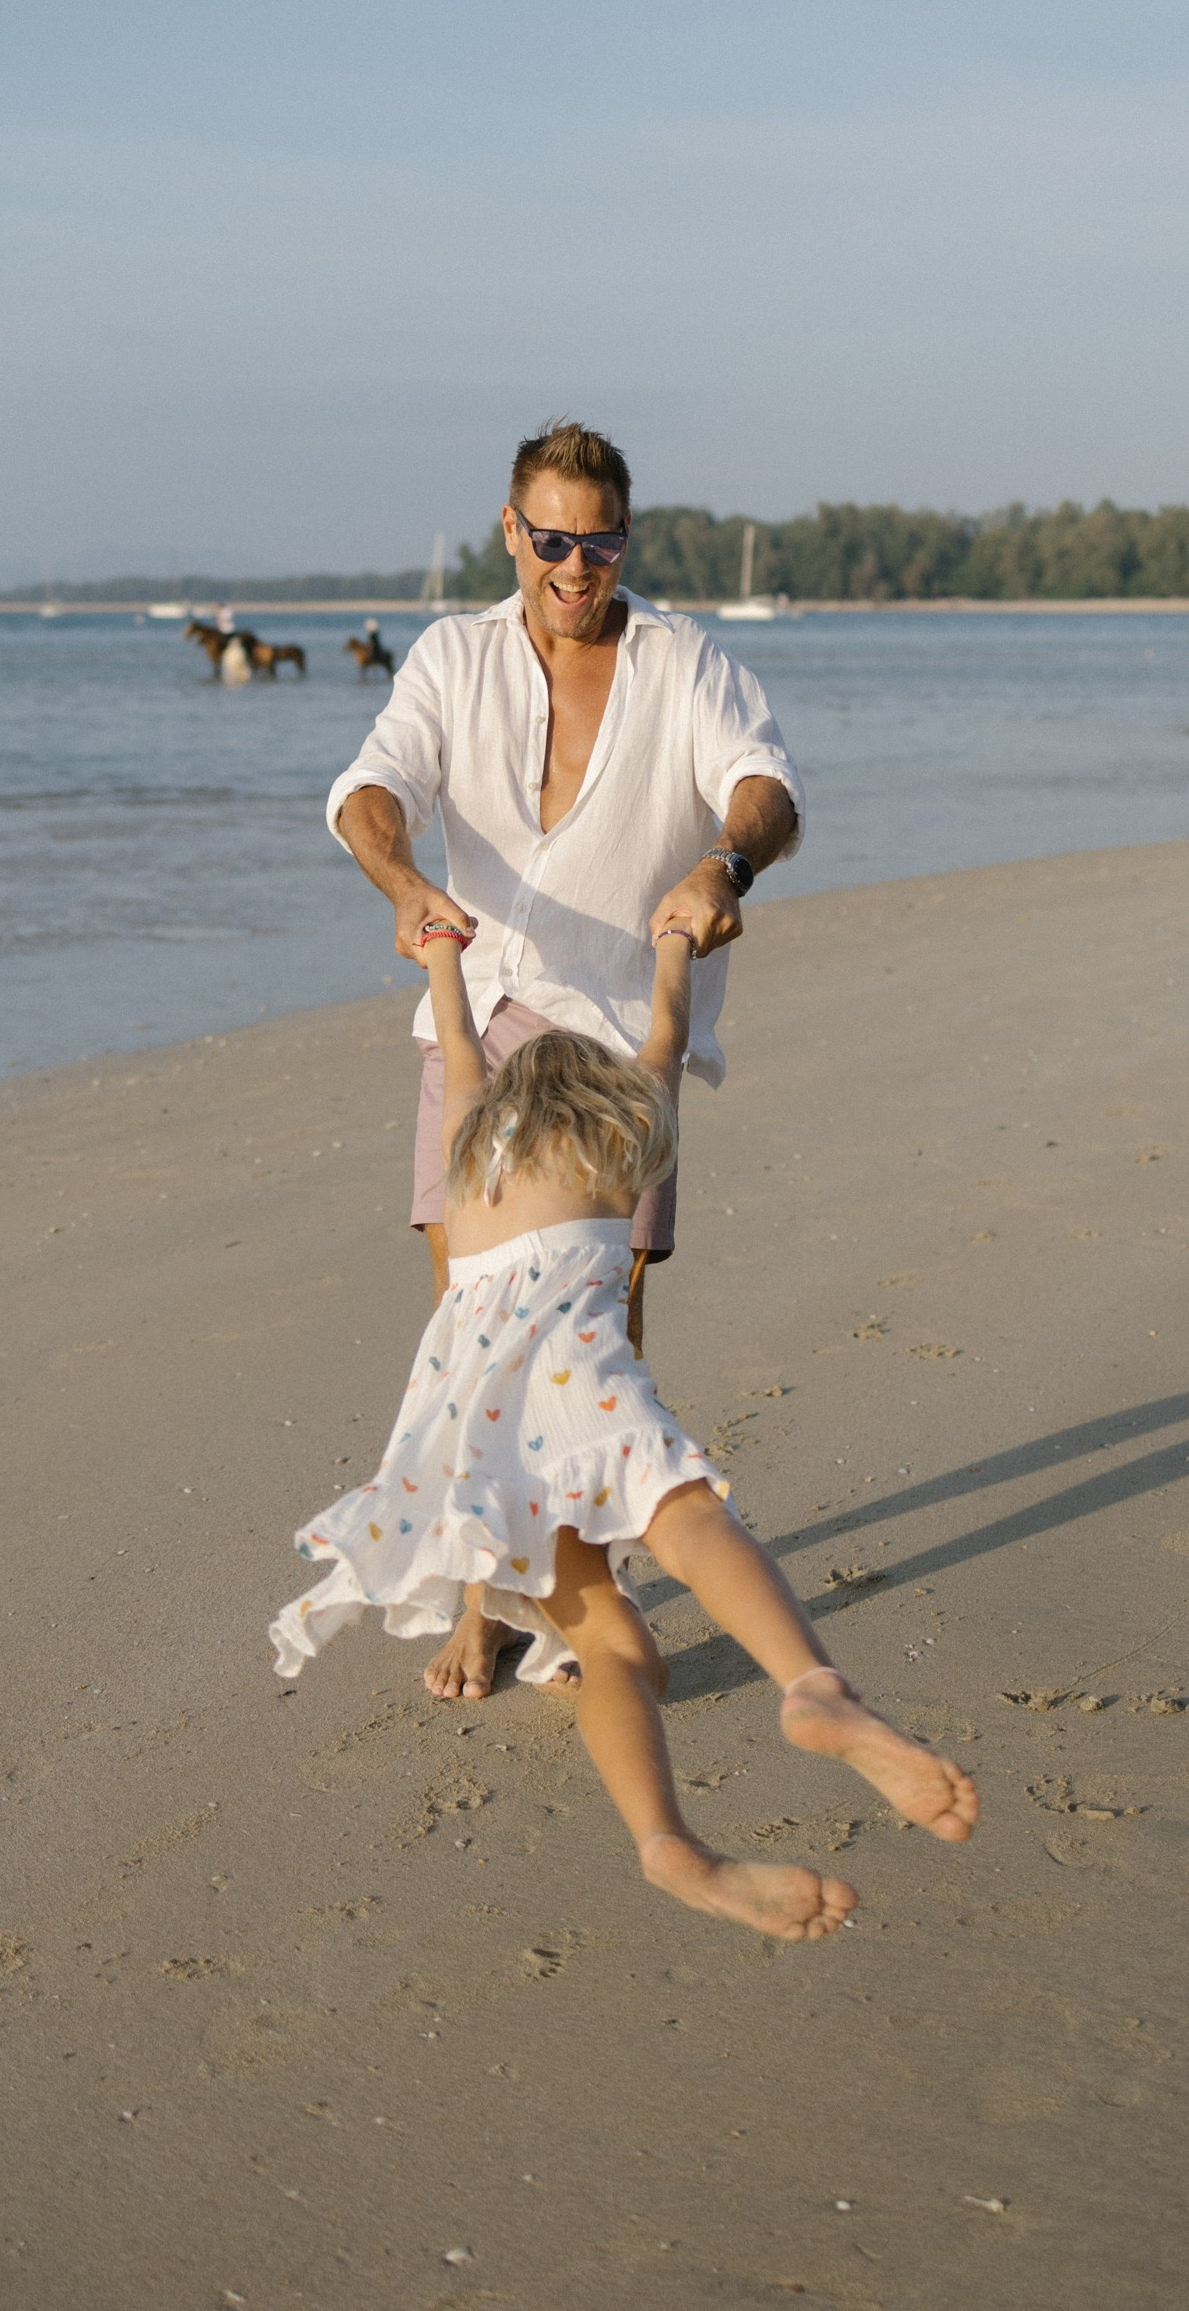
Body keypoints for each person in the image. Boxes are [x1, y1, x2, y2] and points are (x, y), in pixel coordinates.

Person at [271, 921, 978, 1939]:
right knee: (689, 1523)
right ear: (606, 1105)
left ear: (504, 1110)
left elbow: (461, 1042)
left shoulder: (468, 1151)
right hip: (583, 1390)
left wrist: (440, 951)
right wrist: (675, 948)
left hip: (480, 1435)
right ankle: (811, 1684)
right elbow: (665, 1036)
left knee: (612, 1647)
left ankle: (664, 1843)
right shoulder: (621, 1140)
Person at [328, 419, 803, 1699]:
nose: (575, 569)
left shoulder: (683, 662)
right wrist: (402, 882)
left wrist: (724, 865)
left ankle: (586, 1587)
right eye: (551, 542)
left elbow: (765, 785)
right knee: (471, 1326)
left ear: (623, 541)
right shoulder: (452, 655)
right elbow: (371, 791)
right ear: (511, 531)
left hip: (616, 1039)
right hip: (481, 1011)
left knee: (599, 1337)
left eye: (600, 545)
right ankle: (483, 1603)